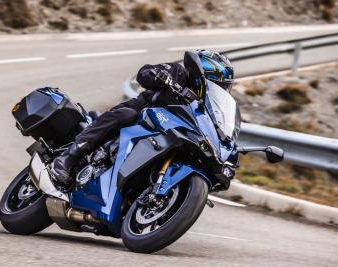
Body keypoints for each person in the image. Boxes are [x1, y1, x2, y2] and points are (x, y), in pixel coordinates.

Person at [50, 50, 234, 185]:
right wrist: (158, 76)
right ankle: (67, 159)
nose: (217, 90)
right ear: (200, 76)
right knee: (126, 114)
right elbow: (143, 73)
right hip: (143, 114)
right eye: (215, 85)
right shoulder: (177, 73)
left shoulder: (205, 107)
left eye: (222, 88)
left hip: (170, 133)